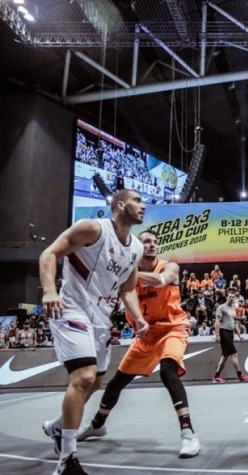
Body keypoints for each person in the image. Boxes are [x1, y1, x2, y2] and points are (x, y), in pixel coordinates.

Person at [40, 188, 148, 475]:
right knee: (84, 376)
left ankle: (57, 427)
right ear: (120, 204)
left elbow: (127, 290)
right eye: (137, 200)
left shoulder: (135, 248)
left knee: (96, 382)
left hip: (101, 318)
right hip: (72, 306)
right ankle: (67, 460)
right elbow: (49, 253)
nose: (143, 205)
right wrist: (50, 291)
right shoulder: (93, 229)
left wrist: (137, 318)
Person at [76, 230, 201, 458]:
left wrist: (128, 272)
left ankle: (188, 434)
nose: (152, 245)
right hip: (145, 334)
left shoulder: (168, 266)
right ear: (137, 247)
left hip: (172, 328)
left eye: (155, 242)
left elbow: (162, 280)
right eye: (146, 242)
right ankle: (97, 424)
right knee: (115, 383)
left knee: (167, 371)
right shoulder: (126, 277)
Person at [212, 294, 248, 383]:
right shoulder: (221, 308)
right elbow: (217, 322)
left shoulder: (233, 308)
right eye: (229, 296)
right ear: (227, 297)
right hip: (224, 332)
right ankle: (240, 375)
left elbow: (232, 322)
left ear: (235, 299)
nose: (231, 298)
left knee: (225, 356)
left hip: (230, 333)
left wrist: (239, 335)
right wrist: (217, 336)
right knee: (234, 354)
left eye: (232, 297)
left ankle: (216, 377)